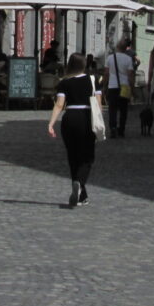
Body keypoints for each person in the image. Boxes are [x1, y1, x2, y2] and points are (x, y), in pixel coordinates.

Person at [48, 53, 102, 207]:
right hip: (86, 117)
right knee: (87, 156)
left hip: (69, 118)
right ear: (84, 65)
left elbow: (59, 105)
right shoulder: (93, 80)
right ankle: (79, 181)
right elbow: (98, 103)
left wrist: (51, 123)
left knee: (73, 156)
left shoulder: (64, 82)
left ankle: (81, 195)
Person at [104, 40, 135, 138]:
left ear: (117, 46)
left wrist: (105, 86)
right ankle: (121, 129)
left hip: (112, 86)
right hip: (124, 86)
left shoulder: (109, 58)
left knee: (112, 109)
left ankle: (113, 128)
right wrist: (132, 88)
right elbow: (130, 75)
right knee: (123, 109)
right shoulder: (128, 59)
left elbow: (106, 74)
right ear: (126, 48)